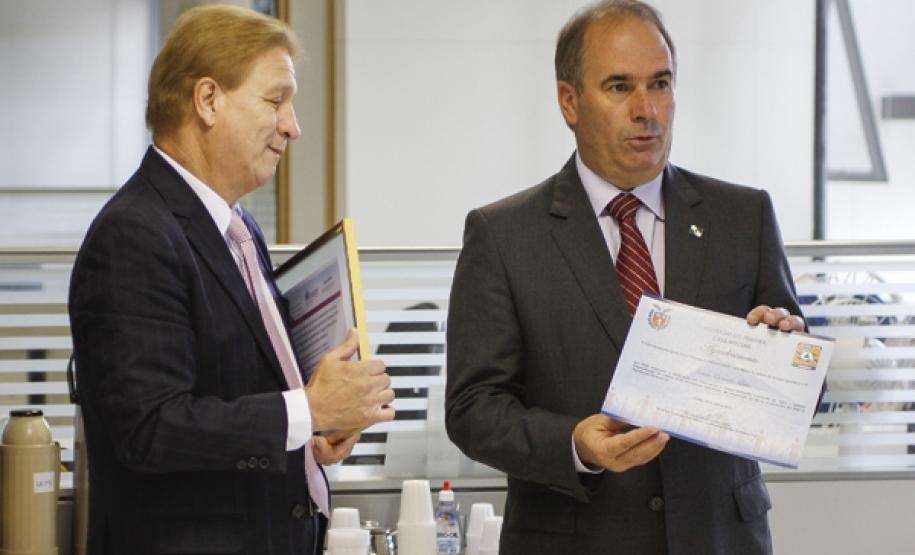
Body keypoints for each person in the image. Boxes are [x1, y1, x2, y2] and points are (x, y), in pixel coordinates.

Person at [444, 1, 806, 553]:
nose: (647, 110)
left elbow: (803, 392)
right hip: (573, 537)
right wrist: (574, 444)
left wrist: (788, 359)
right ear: (569, 101)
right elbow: (473, 409)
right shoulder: (504, 235)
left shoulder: (743, 216)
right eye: (619, 87)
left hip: (717, 538)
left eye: (660, 83)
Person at [68, 6, 394, 555]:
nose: (293, 126)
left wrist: (311, 433)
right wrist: (309, 409)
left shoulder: (237, 230)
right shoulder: (134, 234)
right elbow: (151, 428)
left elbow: (238, 392)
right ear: (208, 100)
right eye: (275, 100)